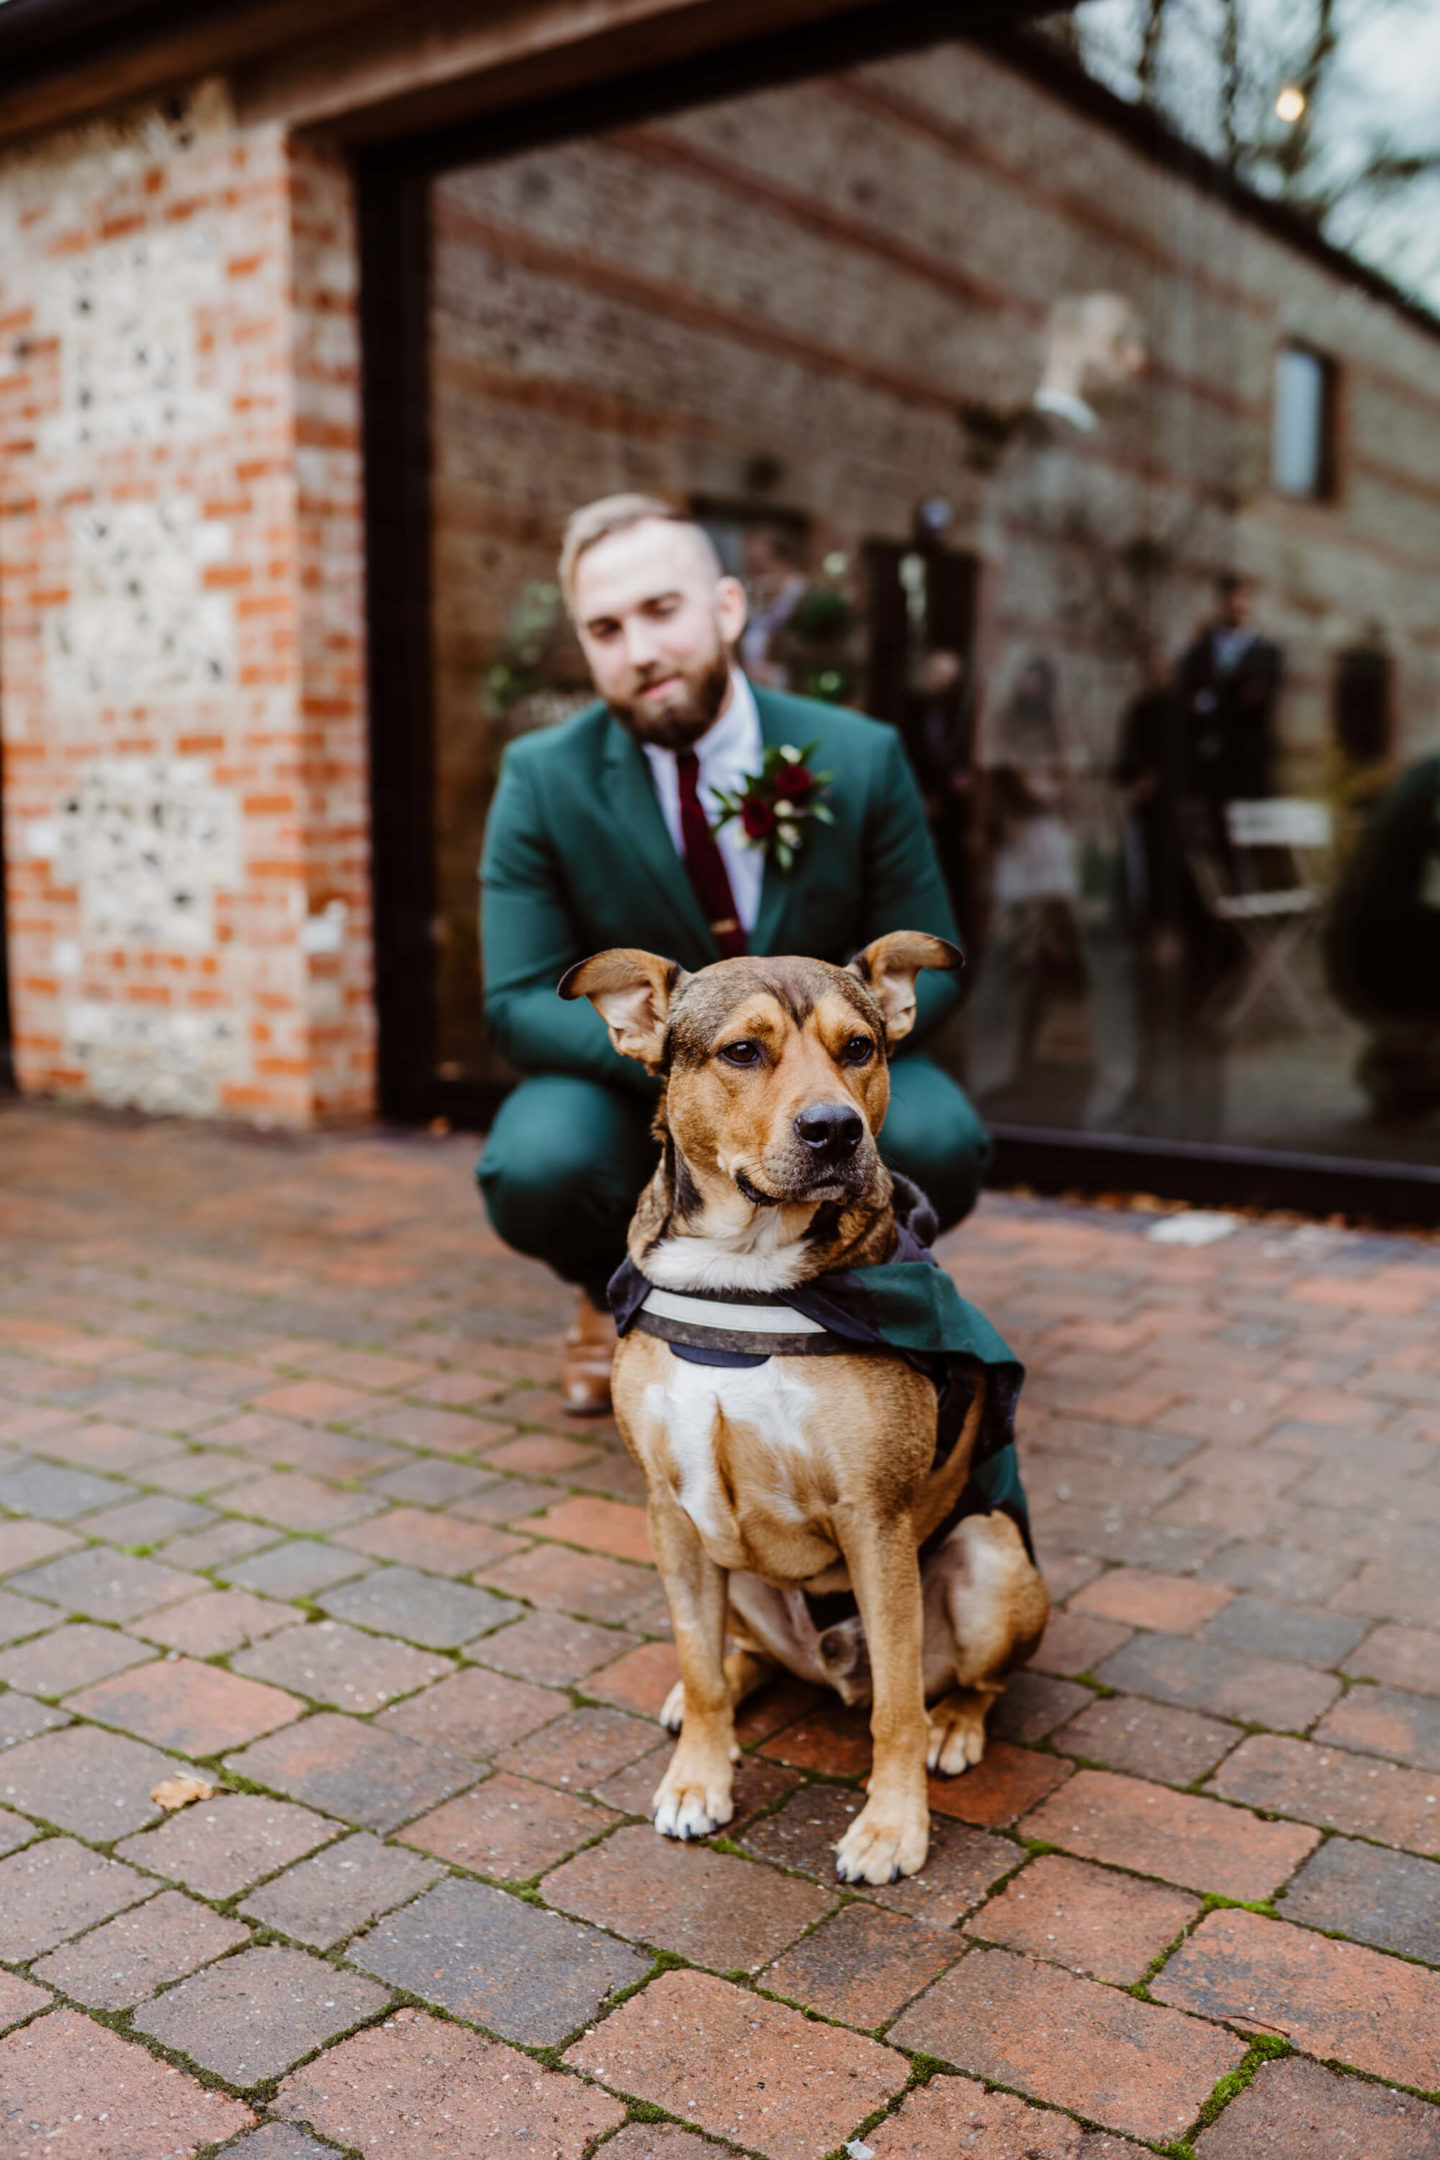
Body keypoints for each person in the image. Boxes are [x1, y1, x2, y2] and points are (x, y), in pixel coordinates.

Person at [476, 494, 991, 1413]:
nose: (638, 650)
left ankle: (840, 1288)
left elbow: (931, 959)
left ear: (726, 608)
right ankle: (611, 1297)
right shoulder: (541, 778)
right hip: (636, 1079)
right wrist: (698, 1068)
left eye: (661, 611)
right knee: (534, 1165)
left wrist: (831, 1058)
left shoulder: (861, 755)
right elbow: (516, 997)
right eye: (605, 627)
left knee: (943, 1138)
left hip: (829, 1069)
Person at [1325, 752, 1440, 1123]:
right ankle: (1408, 1063)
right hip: (1390, 964)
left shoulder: (1428, 771)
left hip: (1356, 952)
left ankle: (1405, 1064)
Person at [1177, 574, 1284, 840]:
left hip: (1247, 764)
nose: (1237, 604)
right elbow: (1186, 696)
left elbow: (1256, 702)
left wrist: (1214, 701)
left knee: (1248, 841)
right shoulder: (1199, 651)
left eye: (1243, 597)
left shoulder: (1267, 654)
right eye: (1231, 597)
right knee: (1209, 838)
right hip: (1207, 764)